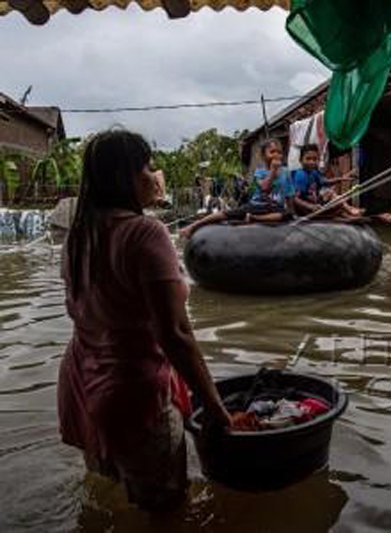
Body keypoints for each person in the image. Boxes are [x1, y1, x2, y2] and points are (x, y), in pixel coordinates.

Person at [57, 129, 233, 511]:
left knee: (107, 503)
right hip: (133, 395)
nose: (156, 174)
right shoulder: (143, 232)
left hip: (85, 387)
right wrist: (216, 408)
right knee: (167, 512)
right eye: (149, 165)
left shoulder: (80, 236)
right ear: (128, 177)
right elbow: (175, 334)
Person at [179, 139, 292, 238]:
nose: (276, 155)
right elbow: (264, 188)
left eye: (279, 152)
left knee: (287, 214)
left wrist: (292, 211)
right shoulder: (260, 172)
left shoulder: (286, 172)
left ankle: (255, 219)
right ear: (263, 156)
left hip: (275, 208)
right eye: (272, 152)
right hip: (258, 205)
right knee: (226, 214)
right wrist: (273, 171)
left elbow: (289, 194)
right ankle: (193, 226)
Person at [291, 143, 362, 218]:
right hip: (306, 209)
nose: (311, 162)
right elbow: (295, 198)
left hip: (315, 203)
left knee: (330, 193)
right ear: (300, 160)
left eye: (314, 159)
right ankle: (349, 211)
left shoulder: (314, 172)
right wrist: (310, 206)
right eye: (308, 159)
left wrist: (342, 178)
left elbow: (326, 182)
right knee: (336, 205)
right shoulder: (300, 175)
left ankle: (349, 211)